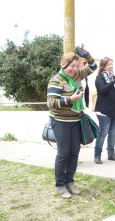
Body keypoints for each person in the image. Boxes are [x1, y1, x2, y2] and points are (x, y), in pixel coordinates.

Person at [47, 46, 97, 199]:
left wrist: (87, 55)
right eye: (72, 66)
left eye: (76, 66)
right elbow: (51, 103)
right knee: (64, 153)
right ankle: (60, 185)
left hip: (76, 120)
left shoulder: (77, 76)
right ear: (64, 64)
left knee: (74, 152)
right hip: (60, 122)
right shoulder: (56, 80)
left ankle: (70, 182)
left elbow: (93, 66)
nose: (75, 69)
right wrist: (70, 100)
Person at [94, 57, 115, 164]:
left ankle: (111, 154)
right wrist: (114, 81)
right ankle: (97, 155)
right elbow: (102, 90)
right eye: (109, 64)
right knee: (103, 133)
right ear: (103, 66)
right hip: (104, 109)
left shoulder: (114, 77)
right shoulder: (99, 78)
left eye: (112, 64)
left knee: (112, 133)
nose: (111, 66)